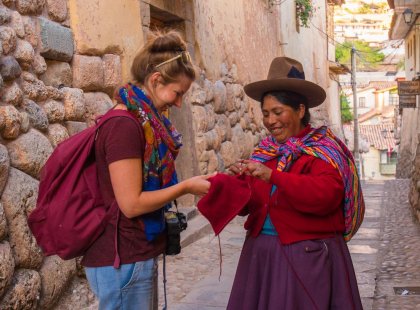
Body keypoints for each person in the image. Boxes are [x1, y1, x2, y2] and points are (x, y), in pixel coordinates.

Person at [197, 57, 364, 309]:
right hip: (261, 257)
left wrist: (272, 176)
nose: (270, 121)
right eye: (265, 114)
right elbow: (251, 205)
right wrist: (234, 182)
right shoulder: (267, 151)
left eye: (277, 112)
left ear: (299, 110)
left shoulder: (323, 151)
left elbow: (326, 197)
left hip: (306, 259)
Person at [82, 30, 211, 310]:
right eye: (178, 93)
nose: (178, 103)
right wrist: (186, 187)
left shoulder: (141, 122)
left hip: (131, 257)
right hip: (123, 260)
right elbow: (131, 204)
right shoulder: (125, 126)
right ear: (155, 80)